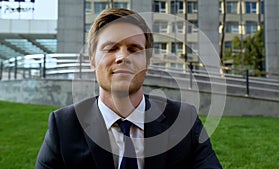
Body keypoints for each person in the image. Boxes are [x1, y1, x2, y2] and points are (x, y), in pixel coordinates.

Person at [35, 8, 222, 169]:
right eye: (111, 48)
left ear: (147, 63)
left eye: (134, 49)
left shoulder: (184, 120)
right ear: (91, 60)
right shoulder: (63, 126)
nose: (123, 57)